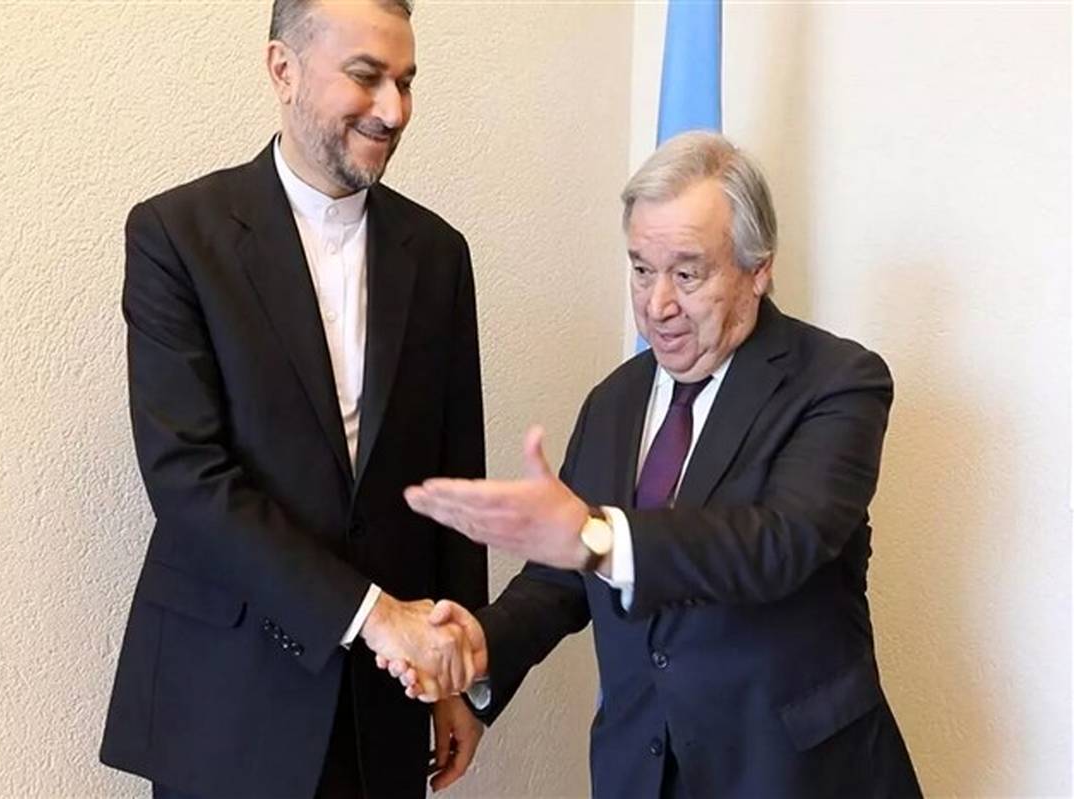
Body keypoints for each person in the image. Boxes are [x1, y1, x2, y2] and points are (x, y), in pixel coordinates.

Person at [395, 131, 922, 797]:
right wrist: (483, 642)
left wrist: (598, 537)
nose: (657, 303)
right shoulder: (613, 401)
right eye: (642, 269)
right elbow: (564, 579)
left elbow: (780, 543)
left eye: (687, 273)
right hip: (643, 773)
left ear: (758, 270)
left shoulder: (837, 381)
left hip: (794, 775)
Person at [99, 1, 487, 796]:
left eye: (406, 82)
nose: (393, 110)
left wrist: (459, 678)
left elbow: (455, 480)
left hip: (384, 706)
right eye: (366, 76)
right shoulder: (176, 235)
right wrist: (373, 613)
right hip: (227, 702)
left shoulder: (440, 254)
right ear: (283, 69)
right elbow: (188, 480)